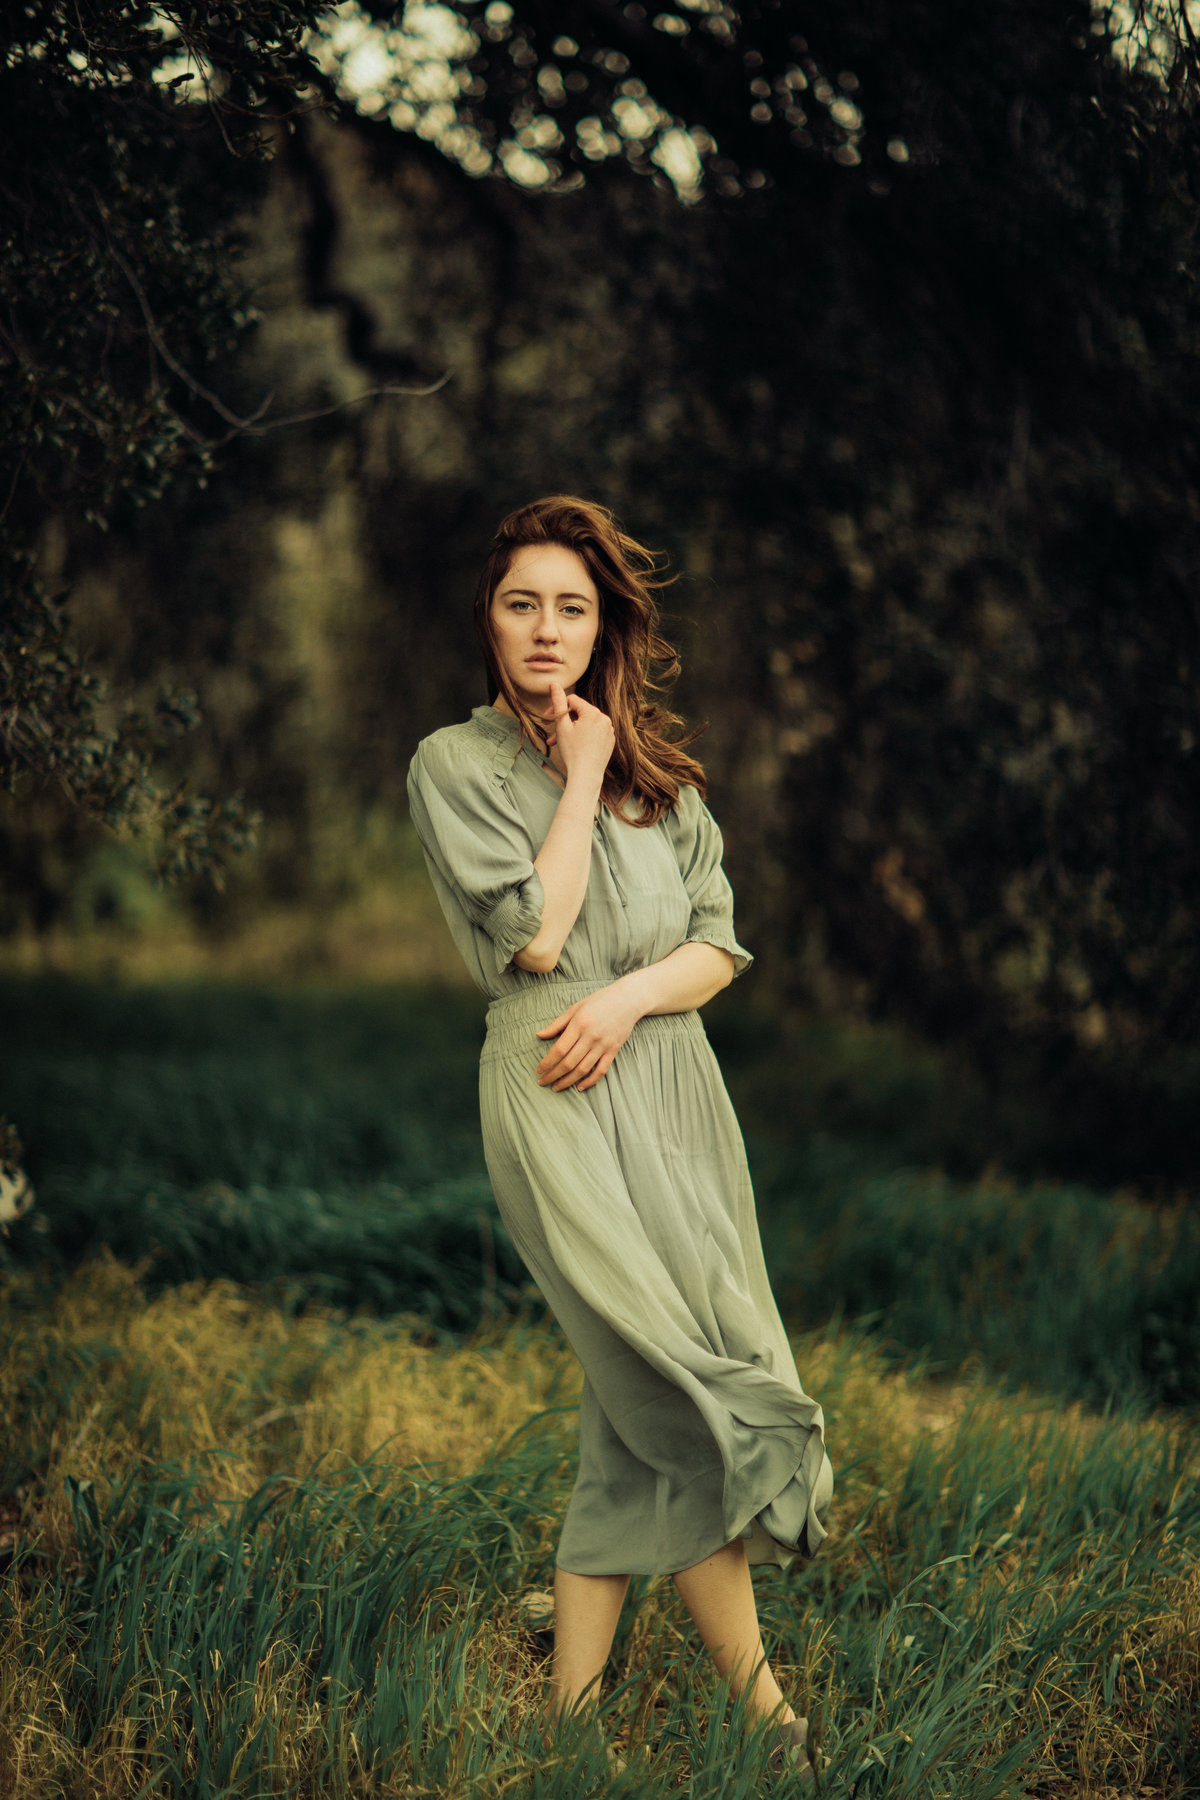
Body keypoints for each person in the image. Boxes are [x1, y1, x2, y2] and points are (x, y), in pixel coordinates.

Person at [406, 495, 833, 1775]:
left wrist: (630, 994)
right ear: (489, 619)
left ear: (608, 629)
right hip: (554, 1083)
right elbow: (533, 935)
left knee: (631, 1396)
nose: (547, 630)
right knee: (672, 1388)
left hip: (673, 1086)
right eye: (522, 603)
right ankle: (769, 1719)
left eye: (573, 608)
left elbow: (715, 944)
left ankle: (570, 1731)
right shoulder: (455, 766)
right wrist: (580, 777)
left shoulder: (669, 784)